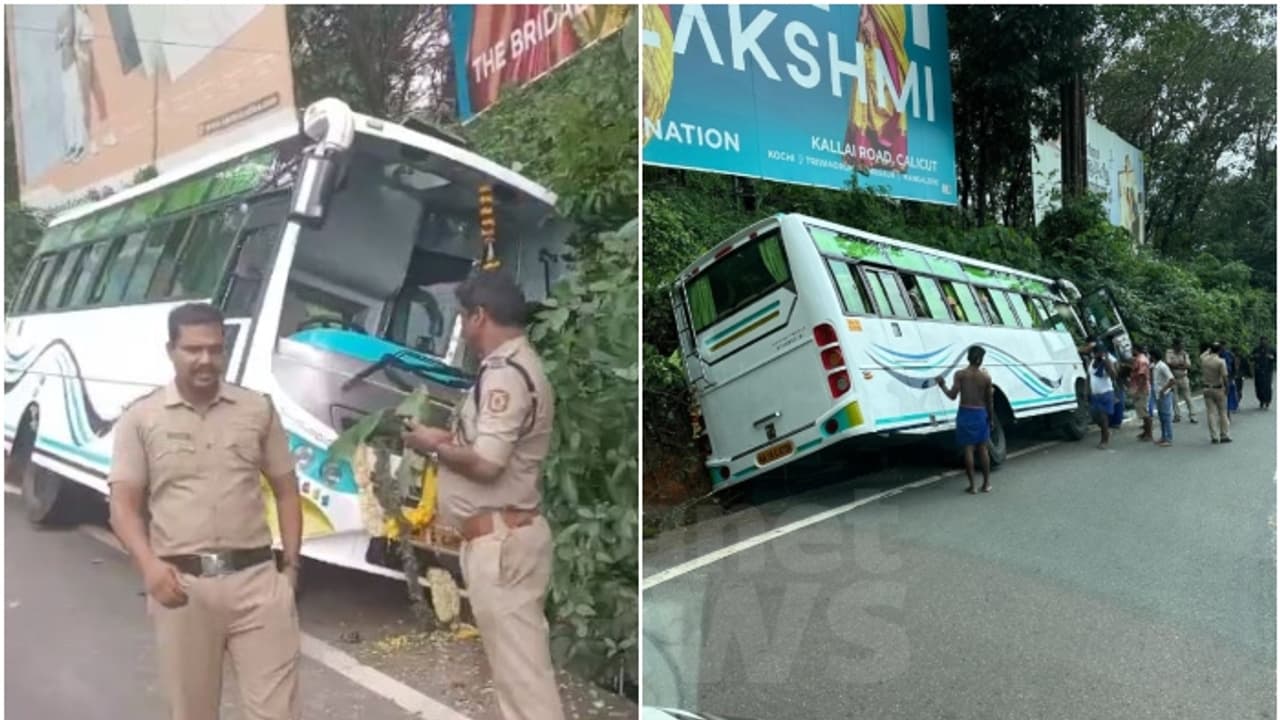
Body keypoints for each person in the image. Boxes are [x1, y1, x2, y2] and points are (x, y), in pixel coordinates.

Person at [108, 303, 304, 720]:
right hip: (182, 590)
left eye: (215, 349)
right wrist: (149, 568)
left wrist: (290, 572)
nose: (205, 360)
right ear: (170, 350)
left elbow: (287, 491)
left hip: (257, 585)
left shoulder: (257, 410)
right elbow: (122, 507)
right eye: (193, 349)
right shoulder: (141, 418)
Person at [401, 270, 565, 720]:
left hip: (503, 543)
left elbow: (488, 462)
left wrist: (432, 445)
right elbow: (485, 447)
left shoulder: (505, 373)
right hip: (499, 540)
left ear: (480, 316)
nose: (465, 329)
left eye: (464, 318)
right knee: (517, 679)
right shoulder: (513, 367)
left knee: (524, 683)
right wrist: (443, 436)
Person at [935, 345, 995, 494]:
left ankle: (972, 486)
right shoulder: (986, 377)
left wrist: (942, 386)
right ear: (980, 359)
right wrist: (990, 418)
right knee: (983, 449)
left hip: (965, 413)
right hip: (981, 414)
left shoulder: (960, 375)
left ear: (968, 357)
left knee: (968, 449)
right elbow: (989, 401)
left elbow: (952, 395)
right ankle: (986, 484)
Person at [1087, 341, 1119, 449]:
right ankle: (1106, 432)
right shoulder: (1092, 362)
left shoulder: (1105, 363)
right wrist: (1086, 391)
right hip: (1095, 394)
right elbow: (1089, 376)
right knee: (1095, 417)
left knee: (1103, 417)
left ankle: (1104, 440)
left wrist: (1107, 362)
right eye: (1096, 353)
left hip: (1105, 393)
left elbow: (1114, 376)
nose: (1098, 355)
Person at [1201, 341, 1231, 444]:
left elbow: (1203, 354)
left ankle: (1214, 436)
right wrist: (1227, 388)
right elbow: (1225, 377)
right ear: (1220, 350)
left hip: (1206, 388)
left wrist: (1209, 349)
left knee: (1211, 413)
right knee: (1222, 412)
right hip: (1218, 388)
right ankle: (1224, 434)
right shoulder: (1221, 362)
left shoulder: (1204, 359)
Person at [1165, 339, 1197, 423]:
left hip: (1183, 377)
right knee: (1174, 398)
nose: (1182, 347)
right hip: (1173, 378)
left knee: (1188, 397)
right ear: (1175, 345)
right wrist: (1181, 365)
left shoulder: (1184, 354)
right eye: (1180, 345)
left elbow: (1188, 365)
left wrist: (1177, 365)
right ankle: (1177, 415)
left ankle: (1192, 415)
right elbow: (1169, 364)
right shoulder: (1169, 352)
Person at [1151, 348, 1177, 447]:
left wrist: (1163, 390)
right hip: (1158, 394)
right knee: (1161, 417)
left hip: (1164, 394)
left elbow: (1172, 380)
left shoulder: (1162, 366)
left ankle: (1168, 438)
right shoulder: (1155, 366)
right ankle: (1163, 436)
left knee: (1166, 417)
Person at [1130, 344, 1153, 441]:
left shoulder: (1141, 360)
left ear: (1136, 349)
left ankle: (1149, 433)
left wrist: (1138, 390)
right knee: (1141, 411)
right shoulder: (1139, 358)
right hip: (1139, 387)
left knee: (1144, 412)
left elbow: (1142, 377)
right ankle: (1146, 432)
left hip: (1142, 389)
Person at [1253, 336, 1275, 409]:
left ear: (1267, 341)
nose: (1263, 342)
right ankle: (1261, 400)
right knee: (1259, 386)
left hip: (1268, 371)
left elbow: (1276, 358)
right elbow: (1250, 357)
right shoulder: (1256, 349)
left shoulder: (1271, 349)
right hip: (1258, 371)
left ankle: (1267, 401)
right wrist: (1255, 356)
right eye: (1262, 341)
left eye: (1265, 341)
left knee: (1267, 386)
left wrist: (1272, 358)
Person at [1221, 341, 1239, 417]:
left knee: (1229, 394)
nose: (1223, 348)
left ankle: (1227, 412)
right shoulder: (1217, 355)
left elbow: (1234, 365)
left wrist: (1233, 376)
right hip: (1220, 377)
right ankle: (1223, 412)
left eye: (1224, 346)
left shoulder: (1230, 354)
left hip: (1229, 377)